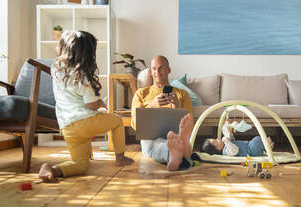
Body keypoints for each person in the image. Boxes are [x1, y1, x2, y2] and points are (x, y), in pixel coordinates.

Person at [39, 31, 133, 182]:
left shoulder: (55, 69)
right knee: (117, 121)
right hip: (84, 122)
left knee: (80, 164)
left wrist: (78, 41)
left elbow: (64, 44)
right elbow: (92, 104)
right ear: (88, 55)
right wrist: (101, 103)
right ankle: (120, 158)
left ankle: (52, 170)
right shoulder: (81, 76)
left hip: (67, 126)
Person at [131, 55, 193, 171]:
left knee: (170, 142)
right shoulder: (141, 93)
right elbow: (135, 125)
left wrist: (176, 107)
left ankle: (174, 153)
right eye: (154, 69)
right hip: (151, 138)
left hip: (175, 134)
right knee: (154, 146)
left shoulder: (182, 94)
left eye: (161, 68)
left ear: (169, 70)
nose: (157, 72)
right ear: (150, 72)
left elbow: (189, 122)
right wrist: (152, 106)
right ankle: (175, 153)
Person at [201, 135, 274, 157]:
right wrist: (228, 142)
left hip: (249, 146)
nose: (217, 139)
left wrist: (230, 137)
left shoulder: (226, 145)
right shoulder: (226, 151)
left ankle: (266, 147)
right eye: (216, 141)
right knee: (256, 140)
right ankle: (267, 146)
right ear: (218, 149)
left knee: (256, 140)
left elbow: (234, 142)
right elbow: (235, 150)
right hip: (250, 150)